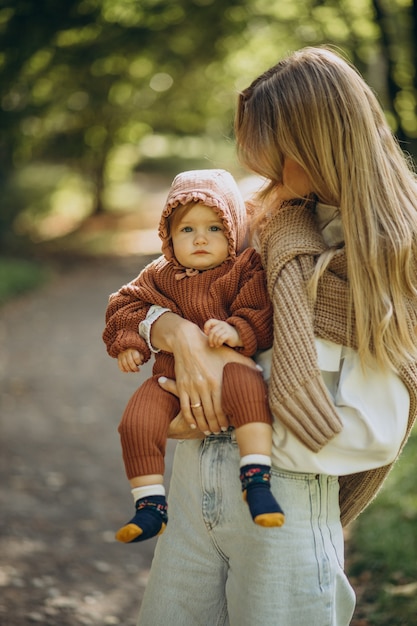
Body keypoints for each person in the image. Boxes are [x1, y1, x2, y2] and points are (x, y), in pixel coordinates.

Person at [135, 46, 417, 626]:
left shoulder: (386, 262)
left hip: (280, 507)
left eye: (276, 158)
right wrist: (177, 334)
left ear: (318, 146)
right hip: (192, 495)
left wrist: (229, 421)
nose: (262, 177)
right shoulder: (259, 219)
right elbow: (149, 291)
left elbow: (373, 433)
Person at [103, 168, 285, 544]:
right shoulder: (159, 274)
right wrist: (130, 344)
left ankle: (257, 478)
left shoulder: (243, 268)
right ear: (168, 236)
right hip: (169, 379)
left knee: (248, 389)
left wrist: (237, 330)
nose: (201, 238)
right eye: (187, 230)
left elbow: (261, 311)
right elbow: (123, 305)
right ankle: (150, 504)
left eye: (214, 228)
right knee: (135, 421)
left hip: (230, 367)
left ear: (233, 229)